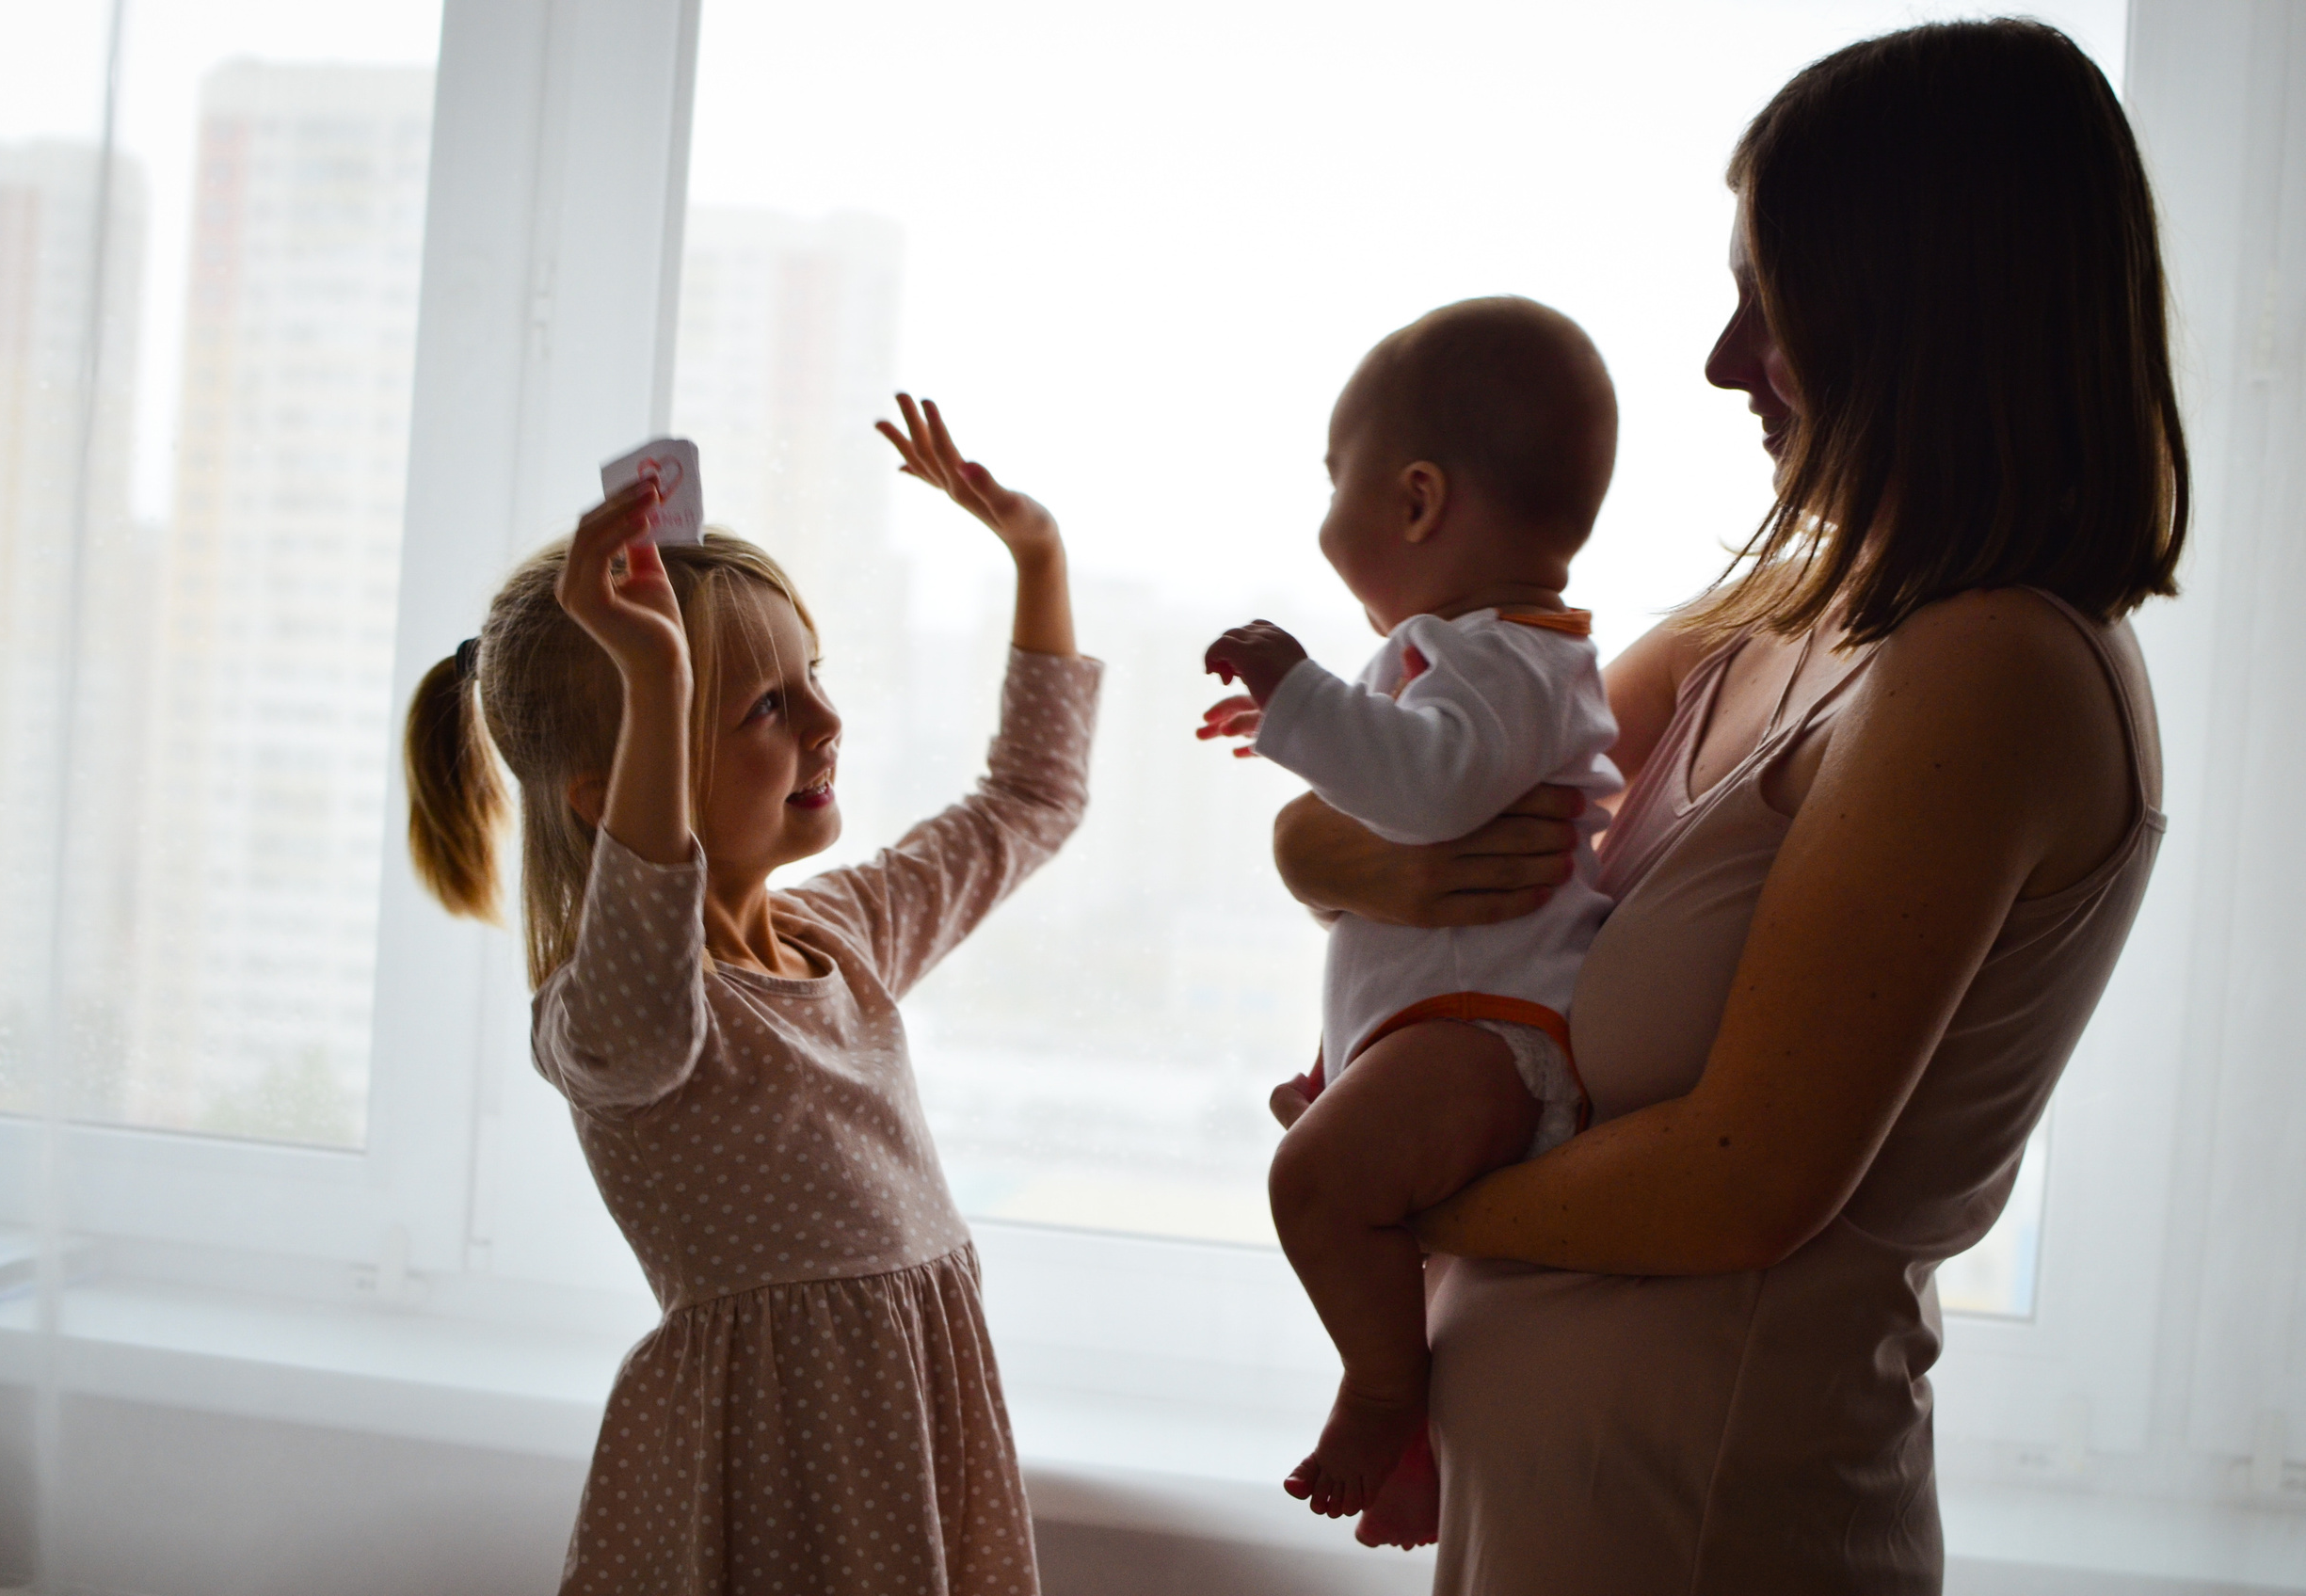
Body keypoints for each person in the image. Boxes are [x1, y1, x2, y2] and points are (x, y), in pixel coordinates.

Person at [1268, 20, 2182, 1592]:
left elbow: (1747, 1177)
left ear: (1919, 308)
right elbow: (1397, 812)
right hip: (1579, 1518)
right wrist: (1341, 856)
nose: (1719, 358)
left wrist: (1385, 1194)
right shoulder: (1777, 612)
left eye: (1771, 297)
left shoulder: (1996, 672)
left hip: (1713, 1525)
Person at [401, 395, 1099, 1595]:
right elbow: (647, 995)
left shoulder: (845, 933)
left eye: (811, 677)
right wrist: (655, 672)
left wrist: (1037, 557)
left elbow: (1030, 800)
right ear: (603, 789)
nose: (829, 722)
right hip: (769, 1478)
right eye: (768, 706)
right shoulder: (609, 1017)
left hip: (915, 1446)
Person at [1193, 297, 1620, 1530]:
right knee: (1337, 1171)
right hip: (1448, 1024)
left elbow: (1427, 795)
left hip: (1489, 1037)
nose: (1326, 509)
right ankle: (1420, 1444)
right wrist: (1314, 737)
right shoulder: (1479, 655)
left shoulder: (1502, 660)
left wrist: (1297, 697)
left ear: (1418, 500)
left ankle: (1384, 1394)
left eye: (1338, 479)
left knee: (1316, 1187)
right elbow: (1402, 781)